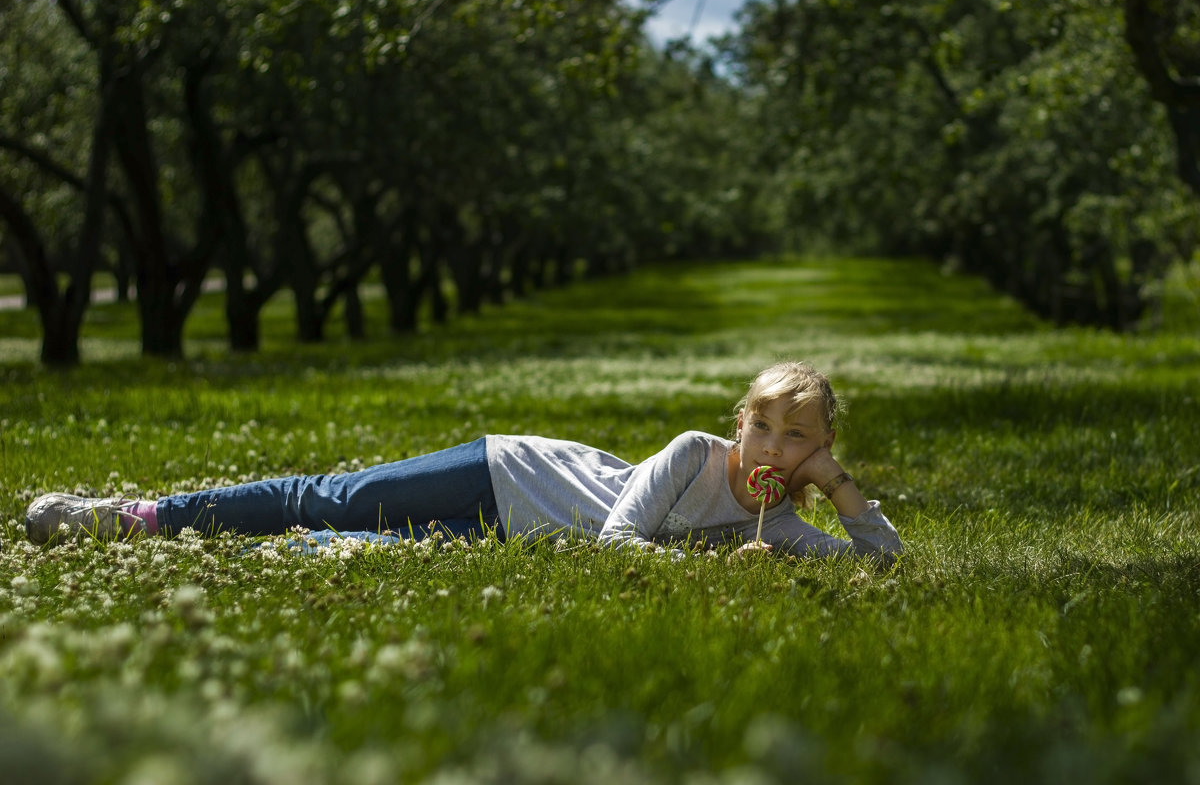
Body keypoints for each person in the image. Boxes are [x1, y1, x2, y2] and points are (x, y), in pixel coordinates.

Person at [25, 361, 902, 562]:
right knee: (333, 499)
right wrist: (720, 576)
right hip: (508, 475)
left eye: (801, 440)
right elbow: (615, 539)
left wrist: (841, 491)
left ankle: (229, 558)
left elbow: (882, 565)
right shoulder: (692, 454)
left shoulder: (782, 522)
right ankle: (135, 516)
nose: (776, 452)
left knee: (367, 550)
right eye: (769, 430)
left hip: (510, 536)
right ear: (740, 425)